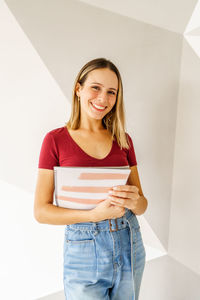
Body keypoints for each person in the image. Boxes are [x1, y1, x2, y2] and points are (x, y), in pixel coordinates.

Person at [34, 57, 148, 300]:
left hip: (129, 239)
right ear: (78, 89)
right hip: (83, 248)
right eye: (95, 88)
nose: (103, 99)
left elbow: (142, 205)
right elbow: (41, 211)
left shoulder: (123, 140)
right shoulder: (55, 140)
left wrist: (133, 200)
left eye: (111, 92)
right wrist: (93, 216)